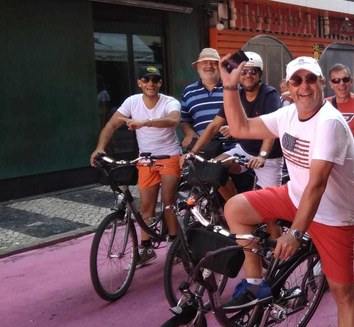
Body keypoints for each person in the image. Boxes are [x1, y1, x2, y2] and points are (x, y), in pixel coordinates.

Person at [220, 56, 354, 327]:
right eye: (296, 80)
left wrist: (295, 232)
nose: (304, 86)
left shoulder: (330, 122)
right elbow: (241, 127)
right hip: (294, 195)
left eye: (311, 79)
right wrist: (230, 85)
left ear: (322, 84)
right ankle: (255, 283)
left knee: (343, 293)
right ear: (288, 86)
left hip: (332, 213)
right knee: (235, 208)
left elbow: (318, 183)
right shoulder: (287, 115)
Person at [90, 66, 182, 266]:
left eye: (154, 80)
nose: (150, 83)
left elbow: (174, 119)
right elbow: (111, 125)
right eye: (146, 80)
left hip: (169, 155)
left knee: (168, 201)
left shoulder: (169, 102)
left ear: (160, 83)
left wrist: (145, 122)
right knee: (146, 205)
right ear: (139, 83)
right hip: (146, 158)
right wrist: (100, 148)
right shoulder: (132, 101)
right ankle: (146, 246)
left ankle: (175, 243)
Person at [185, 52, 283, 199]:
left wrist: (262, 156)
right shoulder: (237, 95)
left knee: (270, 206)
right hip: (244, 149)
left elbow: (271, 127)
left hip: (268, 156)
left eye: (253, 71)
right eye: (244, 71)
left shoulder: (269, 94)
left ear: (260, 74)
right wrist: (192, 152)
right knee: (213, 170)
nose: (248, 75)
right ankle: (234, 205)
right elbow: (214, 126)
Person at [326, 63, 354, 279]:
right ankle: (326, 257)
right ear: (330, 84)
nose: (341, 84)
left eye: (344, 79)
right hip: (330, 169)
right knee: (328, 214)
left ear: (351, 80)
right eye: (336, 81)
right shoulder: (325, 105)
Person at [180, 48, 228, 156]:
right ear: (197, 67)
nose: (209, 66)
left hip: (232, 147)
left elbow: (247, 116)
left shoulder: (234, 88)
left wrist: (233, 129)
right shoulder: (188, 91)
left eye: (214, 63)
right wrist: (189, 132)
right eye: (204, 63)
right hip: (202, 149)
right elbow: (184, 120)